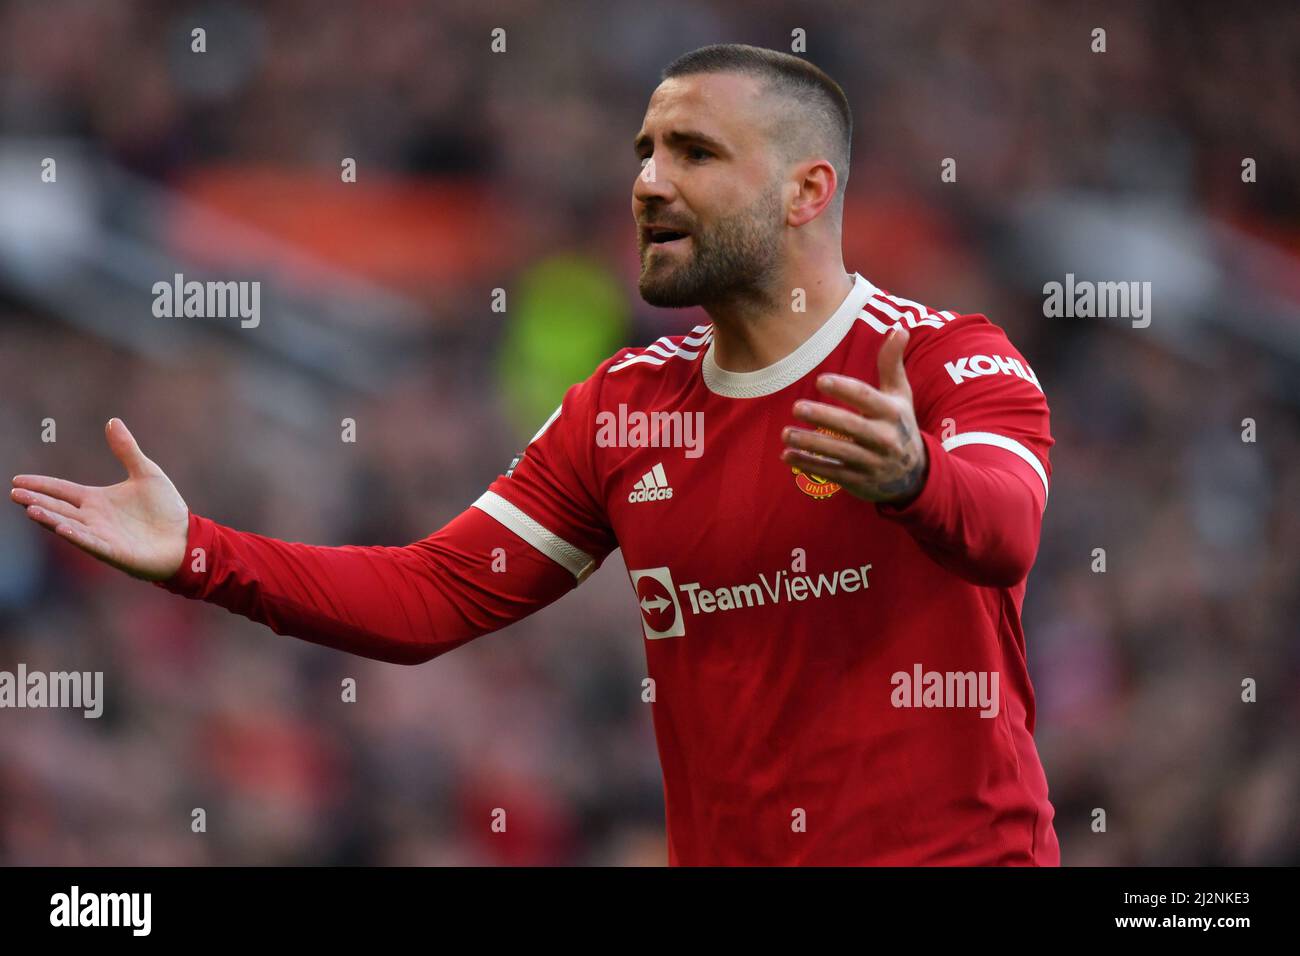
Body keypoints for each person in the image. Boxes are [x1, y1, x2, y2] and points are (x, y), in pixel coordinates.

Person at [11, 44, 1058, 865]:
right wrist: (200, 550)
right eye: (644, 151)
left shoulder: (945, 359)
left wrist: (916, 478)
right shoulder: (621, 407)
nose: (648, 181)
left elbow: (1005, 529)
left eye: (694, 154)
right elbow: (431, 594)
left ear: (805, 189)